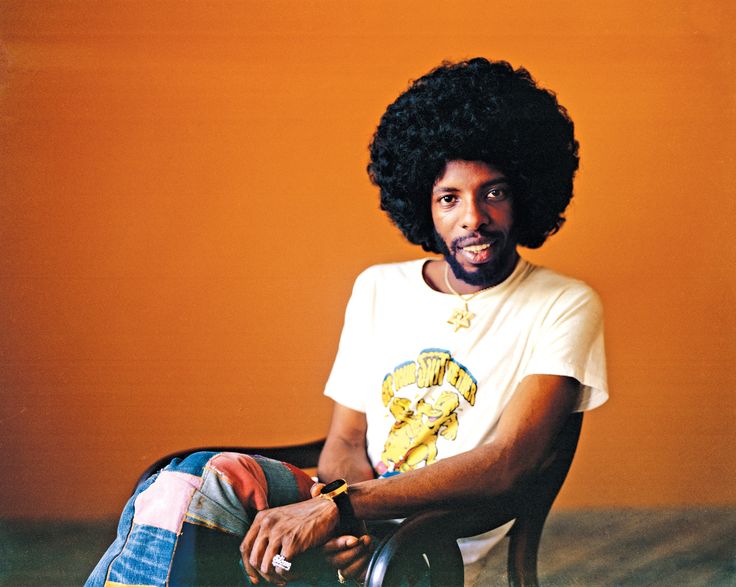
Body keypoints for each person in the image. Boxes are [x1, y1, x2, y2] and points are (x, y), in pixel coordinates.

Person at [87, 57, 607, 587]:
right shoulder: (379, 288)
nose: (472, 217)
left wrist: (346, 511)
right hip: (352, 513)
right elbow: (346, 440)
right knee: (188, 485)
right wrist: (347, 525)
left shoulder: (563, 304)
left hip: (431, 539)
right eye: (449, 198)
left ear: (524, 193)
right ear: (424, 209)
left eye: (492, 192)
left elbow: (507, 463)